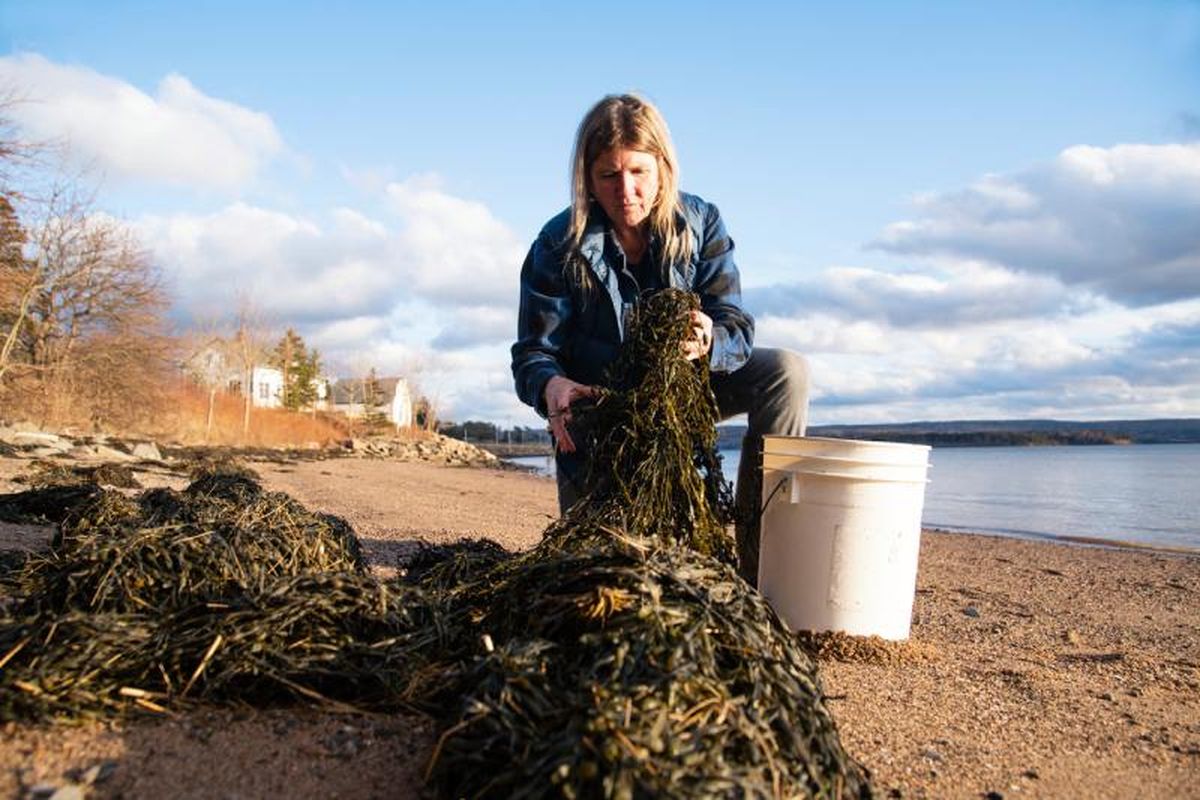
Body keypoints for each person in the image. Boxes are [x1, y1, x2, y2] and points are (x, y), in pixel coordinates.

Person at [510, 93, 809, 586]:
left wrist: (712, 339)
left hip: (684, 394)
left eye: (638, 173)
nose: (625, 190)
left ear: (663, 169)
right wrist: (550, 386)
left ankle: (764, 560)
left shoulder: (701, 223)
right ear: (586, 177)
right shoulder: (557, 242)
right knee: (600, 576)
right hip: (599, 409)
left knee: (786, 372)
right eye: (608, 175)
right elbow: (533, 353)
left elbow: (734, 321)